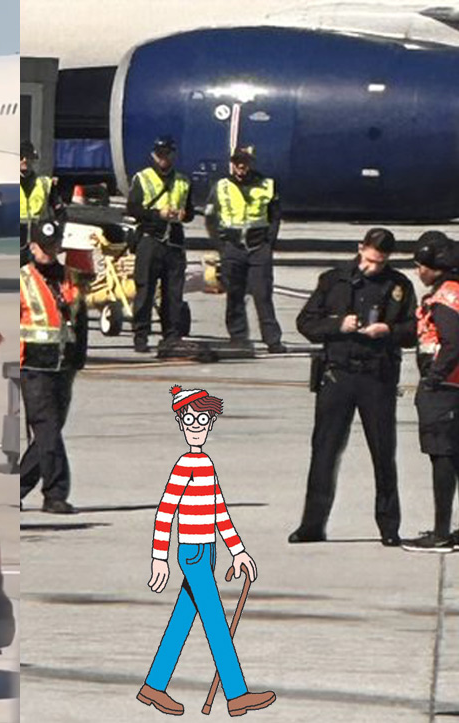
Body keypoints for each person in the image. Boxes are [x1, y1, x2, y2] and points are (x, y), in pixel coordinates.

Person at [139, 386, 275, 717]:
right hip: (193, 553)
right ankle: (236, 693)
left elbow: (218, 511)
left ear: (210, 423)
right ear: (180, 423)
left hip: (208, 550)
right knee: (215, 621)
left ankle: (154, 686)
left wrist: (238, 551)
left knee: (183, 619)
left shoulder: (205, 463)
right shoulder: (186, 465)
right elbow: (165, 510)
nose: (196, 424)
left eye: (202, 418)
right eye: (189, 419)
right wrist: (159, 557)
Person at [290, 228, 417, 546]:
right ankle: (312, 524)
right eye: (370, 258)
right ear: (361, 249)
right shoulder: (333, 280)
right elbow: (306, 323)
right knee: (325, 451)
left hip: (377, 377)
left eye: (380, 261)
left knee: (383, 453)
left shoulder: (398, 285)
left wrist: (388, 329)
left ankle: (389, 526)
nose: (373, 266)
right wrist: (337, 325)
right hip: (338, 375)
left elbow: (414, 329)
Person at [19, 221, 91, 514]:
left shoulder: (71, 279)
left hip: (64, 365)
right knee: (47, 428)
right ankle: (55, 493)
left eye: (52, 248)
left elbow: (81, 320)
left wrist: (79, 360)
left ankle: (16, 487)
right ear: (32, 247)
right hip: (33, 365)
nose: (47, 254)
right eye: (41, 248)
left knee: (51, 431)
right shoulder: (21, 281)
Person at [404, 232, 459, 552]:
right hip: (452, 386)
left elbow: (452, 342)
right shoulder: (453, 290)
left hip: (445, 388)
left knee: (442, 456)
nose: (418, 272)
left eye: (420, 266)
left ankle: (440, 533)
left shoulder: (444, 299)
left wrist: (433, 378)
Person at [204, 147, 288, 354]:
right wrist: (221, 246)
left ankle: (272, 339)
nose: (241, 166)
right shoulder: (221, 186)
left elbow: (275, 216)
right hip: (232, 246)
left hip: (258, 245)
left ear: (250, 163)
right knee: (234, 294)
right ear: (232, 164)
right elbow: (211, 218)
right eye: (237, 162)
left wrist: (269, 242)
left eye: (245, 162)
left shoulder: (267, 184)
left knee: (262, 294)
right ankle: (238, 336)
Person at [126, 136, 195, 353]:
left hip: (173, 241)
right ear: (154, 155)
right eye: (160, 154)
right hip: (151, 238)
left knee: (173, 292)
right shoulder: (143, 178)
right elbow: (133, 209)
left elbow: (191, 212)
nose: (164, 159)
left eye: (168, 154)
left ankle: (172, 335)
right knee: (145, 290)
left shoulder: (183, 181)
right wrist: (158, 214)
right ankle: (141, 335)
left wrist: (183, 215)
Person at [20, 139, 64, 266]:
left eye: (28, 157)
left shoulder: (45, 183)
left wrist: (57, 239)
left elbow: (60, 214)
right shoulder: (7, 184)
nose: (24, 160)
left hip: (40, 241)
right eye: (21, 157)